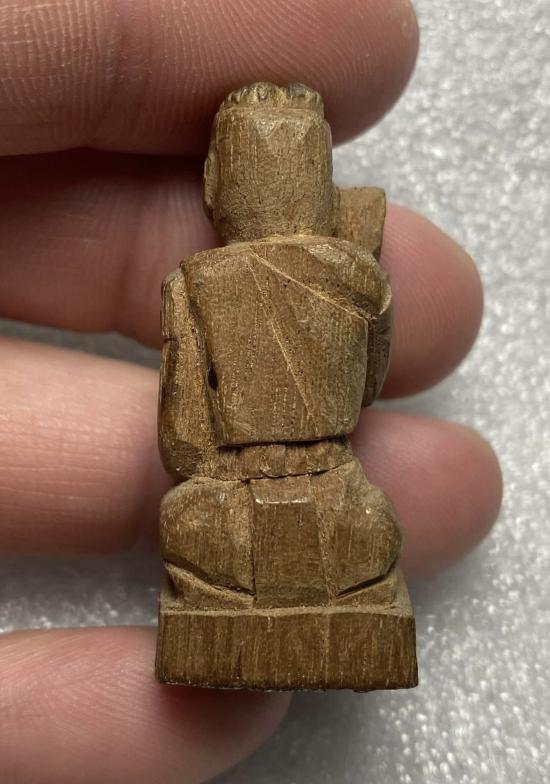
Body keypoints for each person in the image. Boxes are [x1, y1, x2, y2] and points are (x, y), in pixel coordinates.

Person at [0, 1, 502, 782]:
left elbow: (183, 441)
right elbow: (368, 387)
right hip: (340, 504)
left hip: (228, 512)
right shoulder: (360, 276)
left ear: (216, 182)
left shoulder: (195, 284)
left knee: (186, 522)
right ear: (318, 182)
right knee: (375, 532)